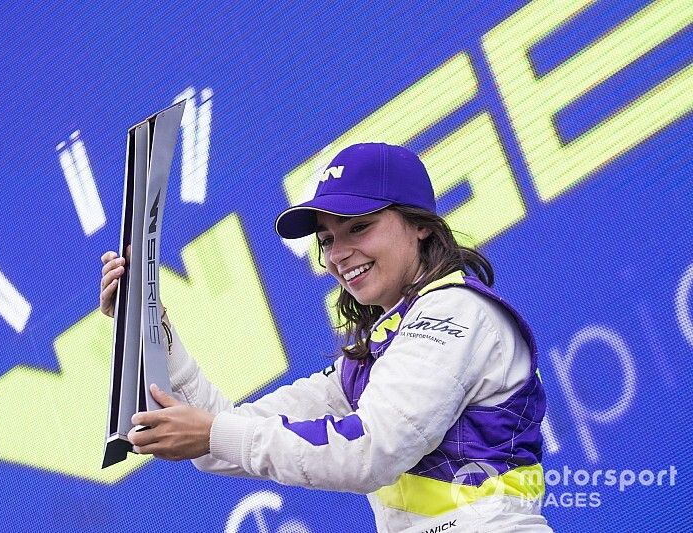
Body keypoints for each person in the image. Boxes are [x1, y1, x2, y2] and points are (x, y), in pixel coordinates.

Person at [99, 143, 551, 532]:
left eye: (359, 227)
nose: (338, 254)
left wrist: (215, 432)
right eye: (327, 239)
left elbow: (372, 449)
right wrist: (156, 334)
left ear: (421, 225)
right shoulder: (374, 353)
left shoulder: (455, 311)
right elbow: (227, 439)